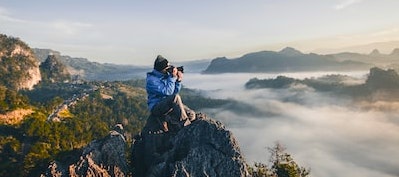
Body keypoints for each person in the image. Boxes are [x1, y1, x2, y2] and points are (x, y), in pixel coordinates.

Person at [145, 55, 194, 133]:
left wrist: (178, 81)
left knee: (191, 115)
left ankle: (173, 123)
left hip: (167, 104)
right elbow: (168, 92)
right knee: (176, 97)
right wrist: (172, 78)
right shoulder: (152, 80)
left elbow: (174, 91)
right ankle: (185, 127)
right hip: (156, 107)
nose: (168, 70)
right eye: (167, 68)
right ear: (161, 69)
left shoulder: (166, 76)